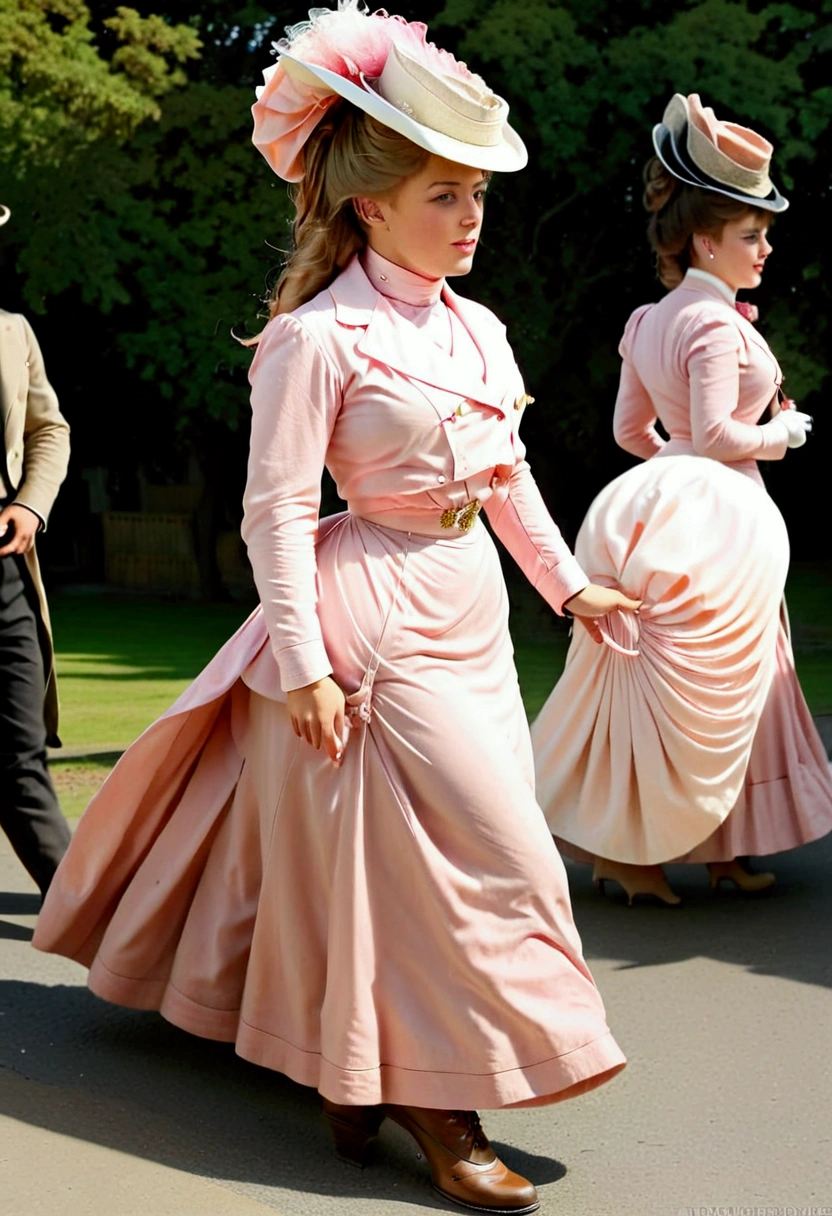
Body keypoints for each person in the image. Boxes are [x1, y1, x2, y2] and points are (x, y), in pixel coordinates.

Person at [33, 4, 635, 1211]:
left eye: (475, 197)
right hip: (369, 619)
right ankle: (436, 1102)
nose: (470, 219)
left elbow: (505, 476)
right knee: (506, 862)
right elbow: (270, 513)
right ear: (369, 203)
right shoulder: (314, 340)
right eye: (443, 197)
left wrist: (567, 587)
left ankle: (359, 1076)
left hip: (469, 613)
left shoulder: (482, 330)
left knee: (410, 869)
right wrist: (301, 664)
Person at [531, 93, 832, 907]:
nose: (766, 247)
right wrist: (784, 434)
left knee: (715, 676)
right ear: (706, 239)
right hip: (723, 528)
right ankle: (660, 849)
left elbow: (634, 430)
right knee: (731, 674)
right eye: (751, 234)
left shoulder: (647, 320)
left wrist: (671, 477)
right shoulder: (714, 327)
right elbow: (718, 435)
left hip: (685, 518)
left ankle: (718, 845)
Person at [0, 203, 72, 900]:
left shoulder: (12, 332)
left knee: (19, 753)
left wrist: (29, 503)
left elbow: (51, 430)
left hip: (5, 575)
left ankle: (101, 922)